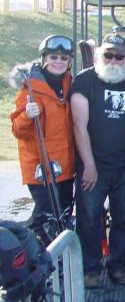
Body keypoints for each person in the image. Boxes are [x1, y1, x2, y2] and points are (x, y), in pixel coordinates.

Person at [70, 34, 125, 289]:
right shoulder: (85, 80)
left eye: (119, 56)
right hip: (93, 164)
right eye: (108, 55)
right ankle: (90, 268)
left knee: (123, 217)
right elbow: (79, 126)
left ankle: (118, 265)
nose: (113, 60)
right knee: (88, 218)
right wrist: (88, 166)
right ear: (100, 55)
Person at [10, 35, 75, 246]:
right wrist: (27, 116)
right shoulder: (29, 88)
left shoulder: (69, 82)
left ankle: (62, 258)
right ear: (44, 58)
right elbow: (17, 130)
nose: (58, 61)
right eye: (53, 56)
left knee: (63, 212)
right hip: (41, 164)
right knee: (45, 215)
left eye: (63, 58)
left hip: (65, 164)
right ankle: (39, 257)